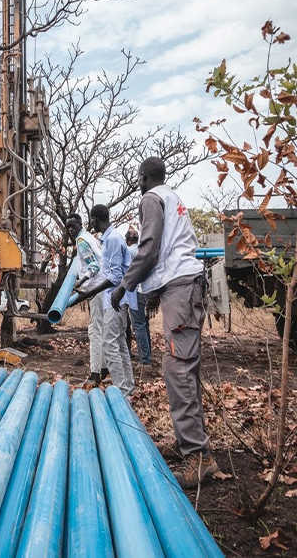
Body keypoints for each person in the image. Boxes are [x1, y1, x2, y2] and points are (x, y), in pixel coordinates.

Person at [111, 157, 218, 487]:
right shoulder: (173, 197)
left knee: (179, 368)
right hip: (184, 287)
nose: (138, 184)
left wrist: (124, 286)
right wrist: (153, 294)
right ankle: (190, 442)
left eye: (138, 179)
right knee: (185, 367)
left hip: (181, 288)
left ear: (143, 177)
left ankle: (198, 455)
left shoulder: (151, 198)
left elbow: (151, 248)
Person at [85, 204, 135, 396]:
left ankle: (121, 392)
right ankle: (127, 388)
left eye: (91, 220)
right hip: (115, 299)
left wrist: (91, 291)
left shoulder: (113, 239)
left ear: (95, 220)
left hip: (116, 299)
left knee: (109, 344)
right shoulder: (110, 239)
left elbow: (115, 277)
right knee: (120, 343)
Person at [66, 214, 109, 388]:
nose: (70, 230)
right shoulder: (89, 237)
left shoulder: (82, 241)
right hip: (103, 287)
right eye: (68, 227)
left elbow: (93, 267)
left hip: (97, 289)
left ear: (80, 224)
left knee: (95, 330)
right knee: (102, 328)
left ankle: (95, 374)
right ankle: (104, 368)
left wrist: (79, 284)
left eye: (73, 226)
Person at [125, 228, 153, 367]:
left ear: (127, 240)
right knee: (145, 324)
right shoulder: (143, 251)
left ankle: (145, 361)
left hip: (136, 292)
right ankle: (147, 356)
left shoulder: (129, 252)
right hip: (146, 291)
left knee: (138, 326)